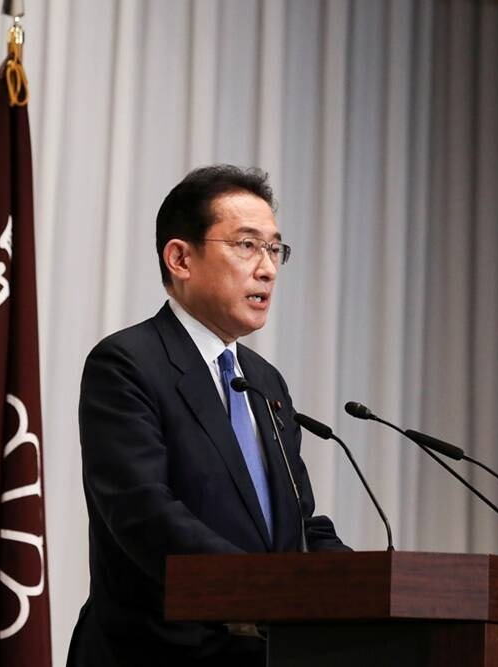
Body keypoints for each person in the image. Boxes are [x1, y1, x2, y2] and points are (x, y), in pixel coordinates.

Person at [67, 165, 349, 667]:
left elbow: (300, 525)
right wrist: (268, 591)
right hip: (158, 654)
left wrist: (371, 585)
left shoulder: (264, 382)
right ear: (180, 258)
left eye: (274, 249)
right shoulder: (127, 364)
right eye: (247, 245)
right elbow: (144, 513)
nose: (267, 269)